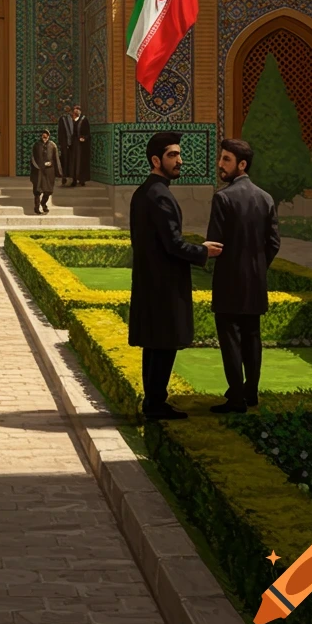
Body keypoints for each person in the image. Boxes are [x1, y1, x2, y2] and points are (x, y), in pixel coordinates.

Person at [129, 130, 223, 420]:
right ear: (156, 160)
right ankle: (156, 404)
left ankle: (153, 401)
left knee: (154, 343)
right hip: (164, 284)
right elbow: (173, 244)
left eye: (179, 154)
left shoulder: (144, 192)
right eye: (173, 155)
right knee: (164, 343)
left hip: (150, 280)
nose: (179, 160)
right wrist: (203, 251)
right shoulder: (160, 196)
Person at [206, 138, 280, 414]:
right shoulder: (265, 198)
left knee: (231, 340)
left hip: (229, 282)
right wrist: (258, 267)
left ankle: (236, 398)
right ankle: (251, 392)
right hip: (255, 283)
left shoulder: (223, 198)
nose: (220, 164)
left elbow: (215, 243)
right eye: (221, 158)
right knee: (252, 337)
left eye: (226, 159)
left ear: (242, 164)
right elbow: (273, 243)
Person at [30, 130, 62, 215]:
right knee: (37, 191)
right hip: (38, 171)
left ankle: (43, 204)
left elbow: (56, 159)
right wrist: (39, 166)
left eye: (46, 136)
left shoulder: (52, 145)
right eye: (43, 136)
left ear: (48, 136)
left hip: (49, 171)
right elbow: (33, 158)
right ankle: (36, 208)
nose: (44, 138)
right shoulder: (36, 145)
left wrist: (59, 172)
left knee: (48, 190)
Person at [71, 104, 92, 186]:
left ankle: (82, 179)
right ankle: (74, 179)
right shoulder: (72, 120)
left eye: (77, 109)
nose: (76, 111)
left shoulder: (84, 120)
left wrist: (84, 138)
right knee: (74, 162)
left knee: (81, 162)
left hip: (82, 146)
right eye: (75, 109)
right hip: (74, 144)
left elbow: (88, 133)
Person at [57, 105, 76, 185]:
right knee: (65, 160)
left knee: (73, 160)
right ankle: (64, 176)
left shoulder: (74, 119)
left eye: (68, 110)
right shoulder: (62, 119)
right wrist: (61, 143)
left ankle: (73, 177)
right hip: (65, 144)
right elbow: (60, 132)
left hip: (73, 144)